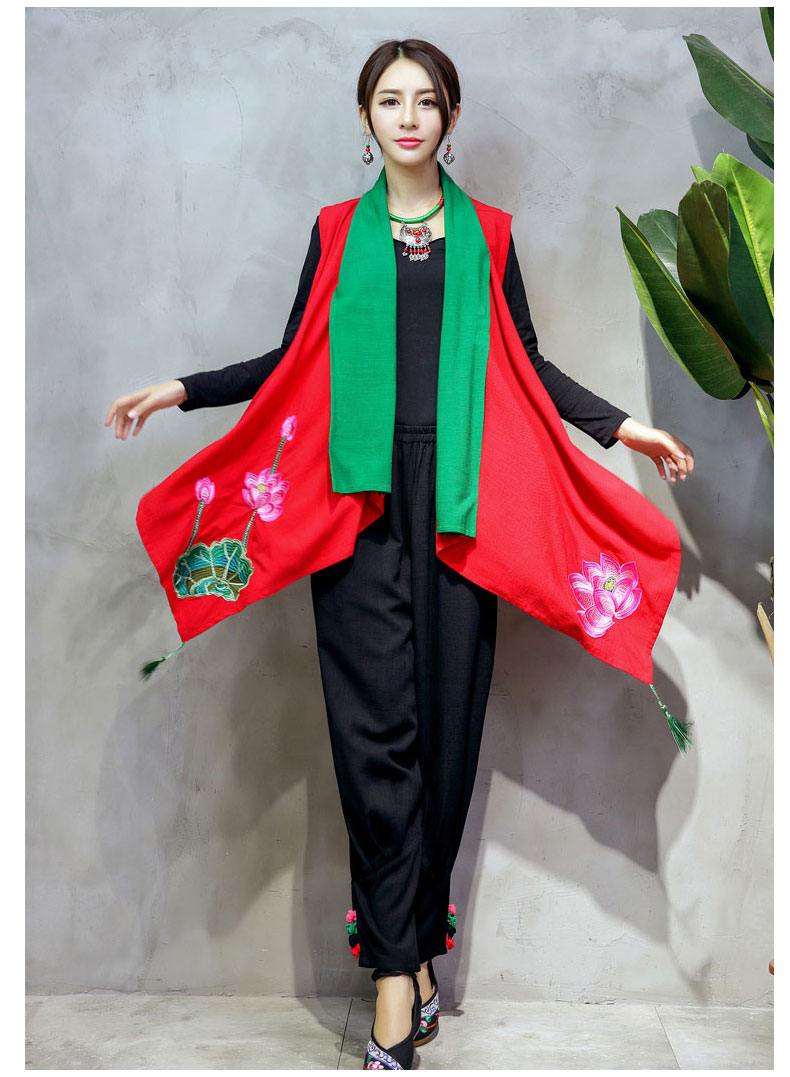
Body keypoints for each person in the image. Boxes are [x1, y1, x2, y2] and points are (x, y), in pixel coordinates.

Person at [105, 38, 694, 1071]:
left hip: (463, 504)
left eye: (426, 100)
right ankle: (390, 975)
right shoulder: (337, 233)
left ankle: (417, 949)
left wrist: (620, 428)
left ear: (449, 118)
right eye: (390, 100)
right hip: (358, 503)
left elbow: (525, 364)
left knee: (447, 739)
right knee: (373, 738)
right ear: (365, 118)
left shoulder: (488, 235)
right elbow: (295, 357)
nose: (409, 116)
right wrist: (186, 390)